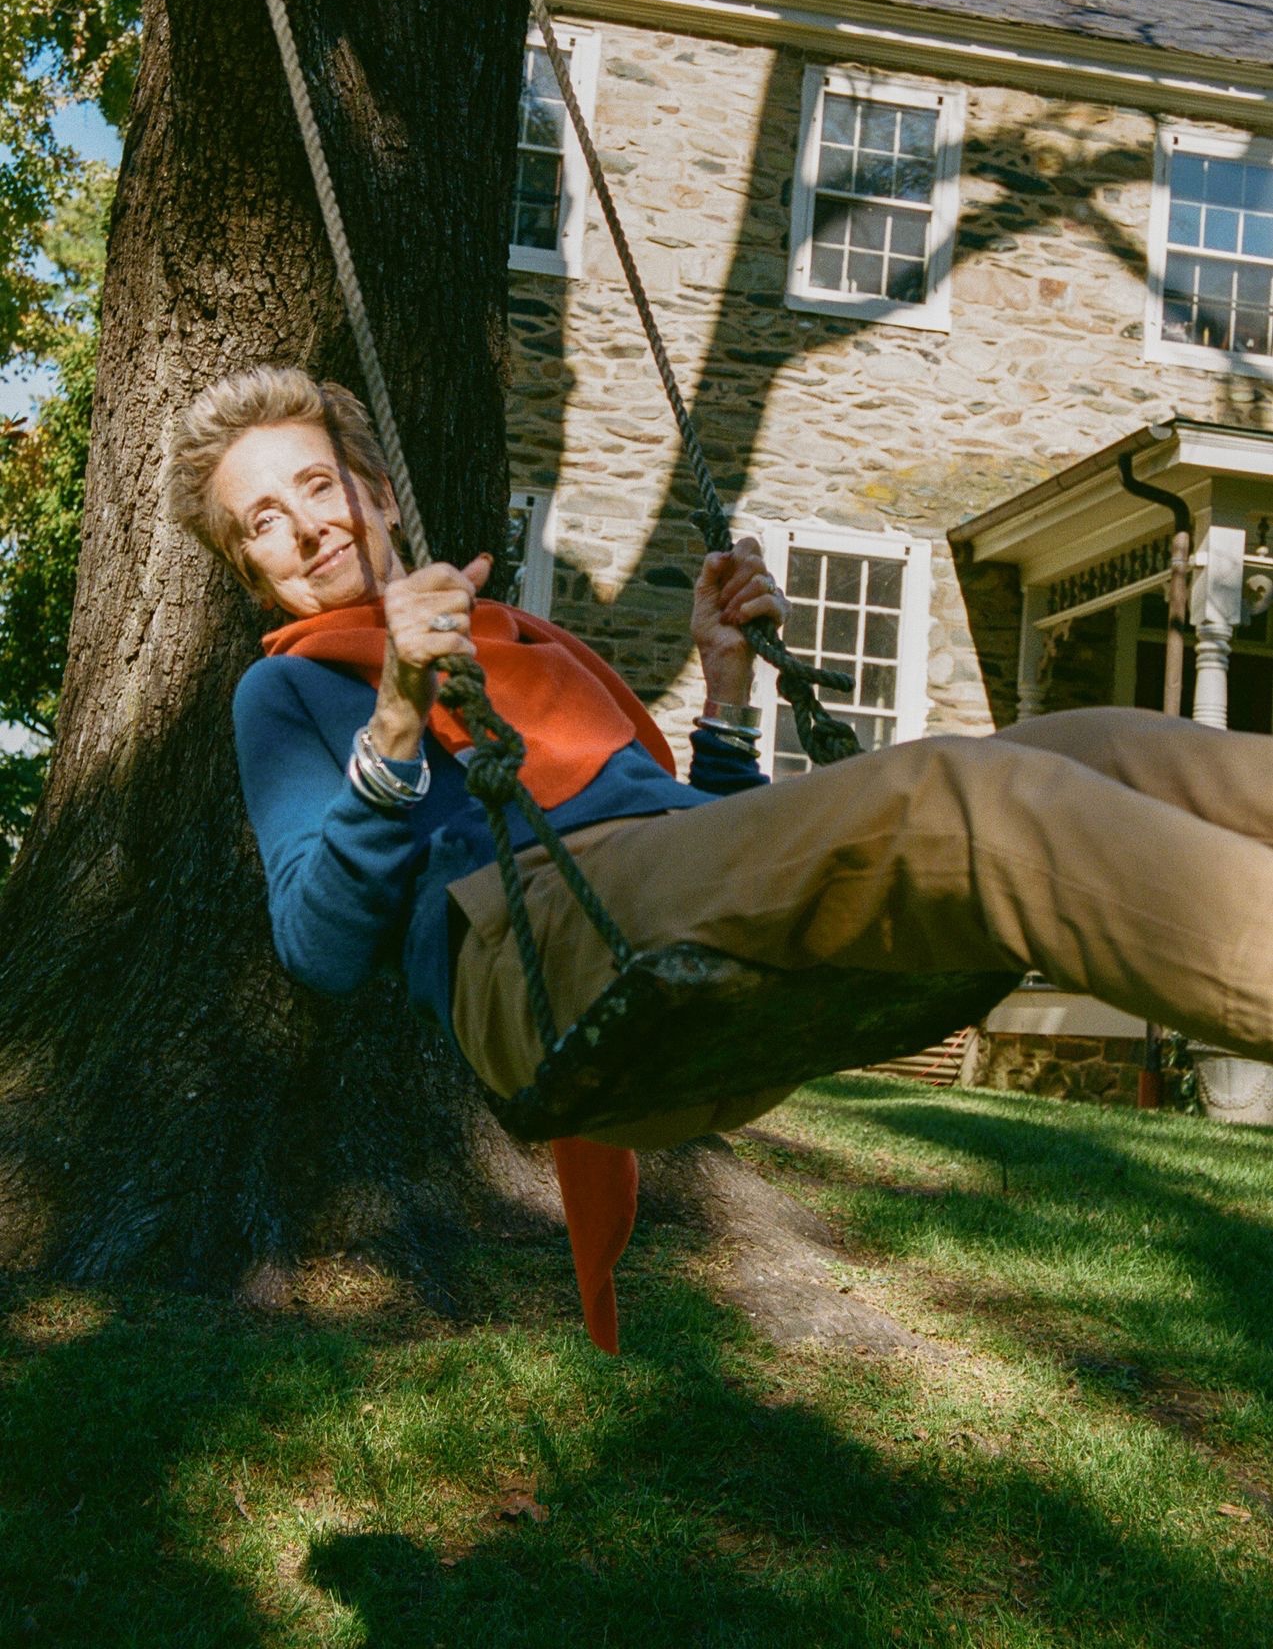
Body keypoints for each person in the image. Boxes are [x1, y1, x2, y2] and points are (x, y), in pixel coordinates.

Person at [172, 367, 1273, 1336]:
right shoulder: (289, 687)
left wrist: (729, 685)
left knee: (1095, 743)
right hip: (538, 961)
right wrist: (399, 713)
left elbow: (699, 851)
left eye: (317, 486)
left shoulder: (526, 642)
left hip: (649, 923)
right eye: (260, 521)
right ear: (250, 570)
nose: (306, 526)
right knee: (967, 794)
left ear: (372, 491)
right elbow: (317, 948)